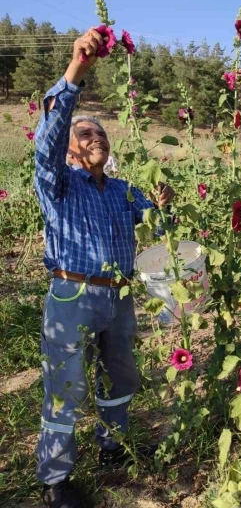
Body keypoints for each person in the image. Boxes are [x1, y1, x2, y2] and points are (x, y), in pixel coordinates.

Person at [33, 29, 174, 508]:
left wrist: (164, 207)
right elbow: (48, 139)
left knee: (121, 376)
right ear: (72, 149)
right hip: (71, 296)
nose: (96, 138)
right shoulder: (57, 183)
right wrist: (76, 72)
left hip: (117, 296)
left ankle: (112, 444)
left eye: (102, 133)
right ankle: (56, 479)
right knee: (65, 386)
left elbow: (159, 221)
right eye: (86, 134)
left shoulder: (122, 190)